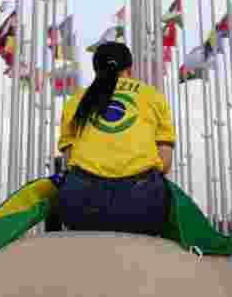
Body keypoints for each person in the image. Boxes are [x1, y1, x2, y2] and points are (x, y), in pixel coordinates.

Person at [55, 42, 175, 237]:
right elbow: (165, 163)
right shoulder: (152, 96)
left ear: (96, 68)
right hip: (142, 206)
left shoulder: (75, 101)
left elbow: (69, 162)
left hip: (82, 206)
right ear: (129, 68)